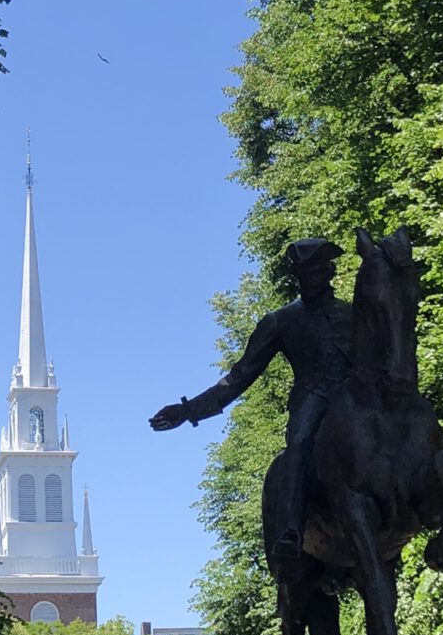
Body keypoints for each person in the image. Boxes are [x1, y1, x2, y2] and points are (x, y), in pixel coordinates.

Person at [150, 238, 351, 559]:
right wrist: (188, 410)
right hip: (314, 396)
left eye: (315, 271)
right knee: (299, 441)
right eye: (302, 274)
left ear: (328, 271)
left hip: (356, 397)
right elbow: (239, 376)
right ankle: (290, 530)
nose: (310, 279)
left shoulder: (353, 314)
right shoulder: (281, 321)